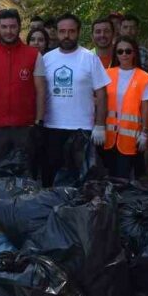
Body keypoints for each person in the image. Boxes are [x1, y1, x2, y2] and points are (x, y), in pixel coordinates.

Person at [40, 14, 110, 186]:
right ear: (56, 33)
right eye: (62, 31)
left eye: (71, 31)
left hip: (82, 129)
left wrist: (100, 125)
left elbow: (102, 93)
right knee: (52, 178)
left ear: (78, 32)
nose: (66, 35)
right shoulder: (47, 59)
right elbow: (39, 92)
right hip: (52, 127)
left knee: (82, 180)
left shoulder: (89, 58)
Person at [0, 9, 47, 176]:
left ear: (19, 27)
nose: (9, 31)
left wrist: (39, 121)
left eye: (13, 27)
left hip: (25, 128)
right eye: (5, 27)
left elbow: (40, 90)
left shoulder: (33, 55)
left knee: (25, 175)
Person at [102, 36, 148, 179]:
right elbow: (100, 100)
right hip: (108, 135)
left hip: (131, 137)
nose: (124, 54)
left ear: (134, 53)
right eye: (120, 51)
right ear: (116, 54)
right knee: (109, 175)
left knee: (124, 176)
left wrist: (145, 133)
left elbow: (145, 108)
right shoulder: (107, 74)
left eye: (128, 51)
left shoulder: (143, 77)